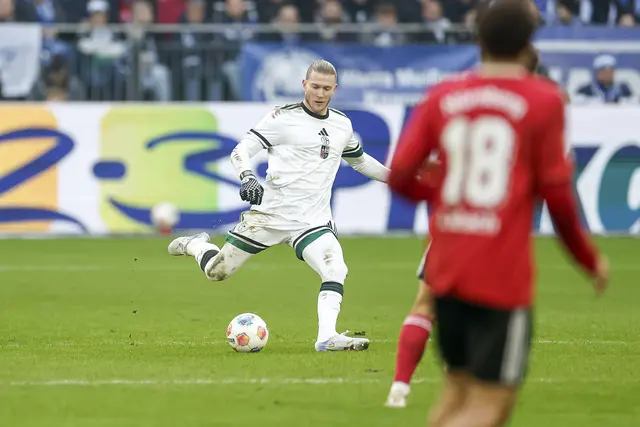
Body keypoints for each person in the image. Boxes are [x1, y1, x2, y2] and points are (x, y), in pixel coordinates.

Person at [387, 1, 609, 426]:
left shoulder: (443, 96)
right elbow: (558, 197)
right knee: (491, 405)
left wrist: (444, 193)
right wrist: (588, 258)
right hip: (500, 275)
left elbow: (400, 175)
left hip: (446, 266)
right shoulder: (544, 100)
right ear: (529, 45)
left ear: (479, 40)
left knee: (457, 390)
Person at [167, 60, 390, 352]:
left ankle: (327, 337)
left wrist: (397, 179)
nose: (320, 93)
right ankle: (196, 245)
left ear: (334, 89)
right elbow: (241, 150)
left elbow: (359, 161)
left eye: (326, 88)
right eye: (315, 86)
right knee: (217, 272)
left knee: (335, 268)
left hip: (312, 221)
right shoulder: (281, 118)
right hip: (270, 216)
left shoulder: (341, 125)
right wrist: (247, 177)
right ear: (304, 85)